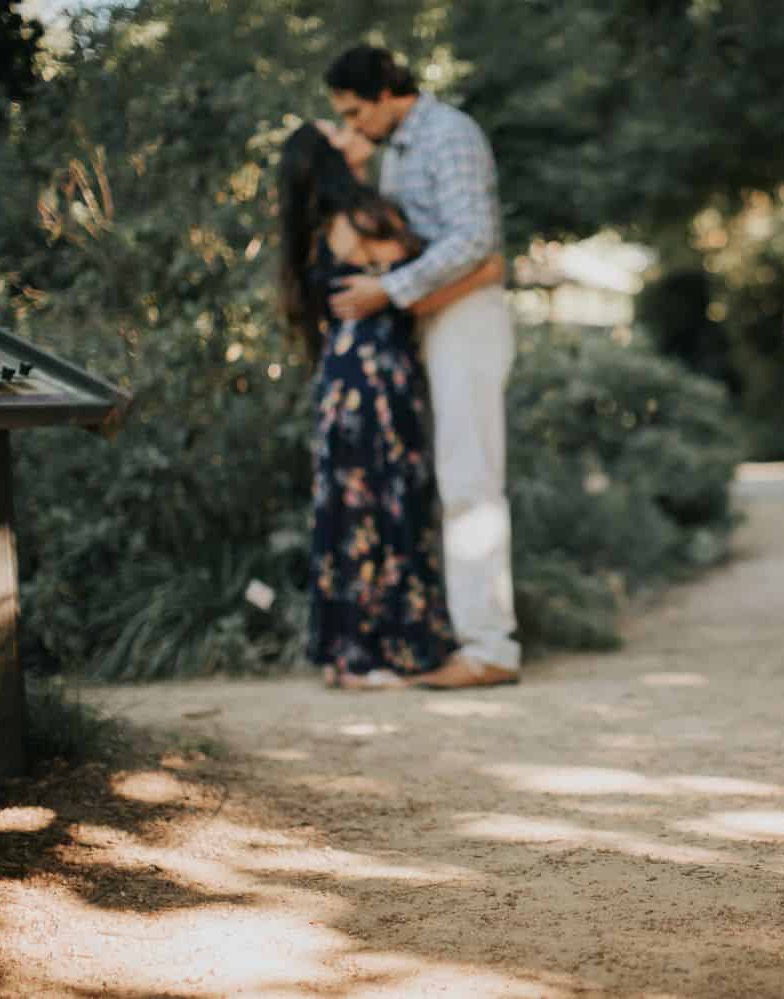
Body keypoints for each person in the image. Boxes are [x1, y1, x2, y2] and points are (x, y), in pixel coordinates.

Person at [277, 121, 504, 690]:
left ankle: (350, 650)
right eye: (337, 127)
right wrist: (482, 270)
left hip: (343, 375)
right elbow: (424, 277)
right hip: (377, 374)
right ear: (331, 156)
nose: (351, 128)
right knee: (388, 499)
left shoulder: (313, 226)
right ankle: (384, 650)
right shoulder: (365, 217)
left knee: (352, 505)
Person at [322, 45, 521, 690]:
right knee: (449, 476)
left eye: (357, 112)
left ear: (386, 91)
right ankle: (464, 637)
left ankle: (490, 648)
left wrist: (388, 290)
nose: (355, 127)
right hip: (432, 317)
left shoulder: (449, 134)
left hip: (465, 318)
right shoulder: (402, 148)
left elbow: (473, 239)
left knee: (470, 477)